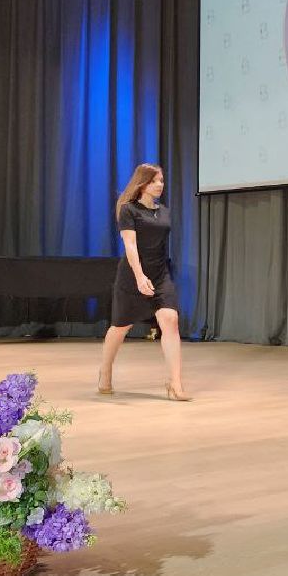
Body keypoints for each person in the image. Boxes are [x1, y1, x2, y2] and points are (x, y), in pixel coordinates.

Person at [99, 163, 190, 401]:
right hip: (132, 275)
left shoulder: (165, 211)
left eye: (161, 180)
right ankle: (105, 370)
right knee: (120, 327)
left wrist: (152, 276)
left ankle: (175, 383)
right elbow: (130, 245)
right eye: (154, 181)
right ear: (143, 183)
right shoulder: (129, 210)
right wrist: (139, 276)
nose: (160, 185)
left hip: (160, 274)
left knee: (170, 319)